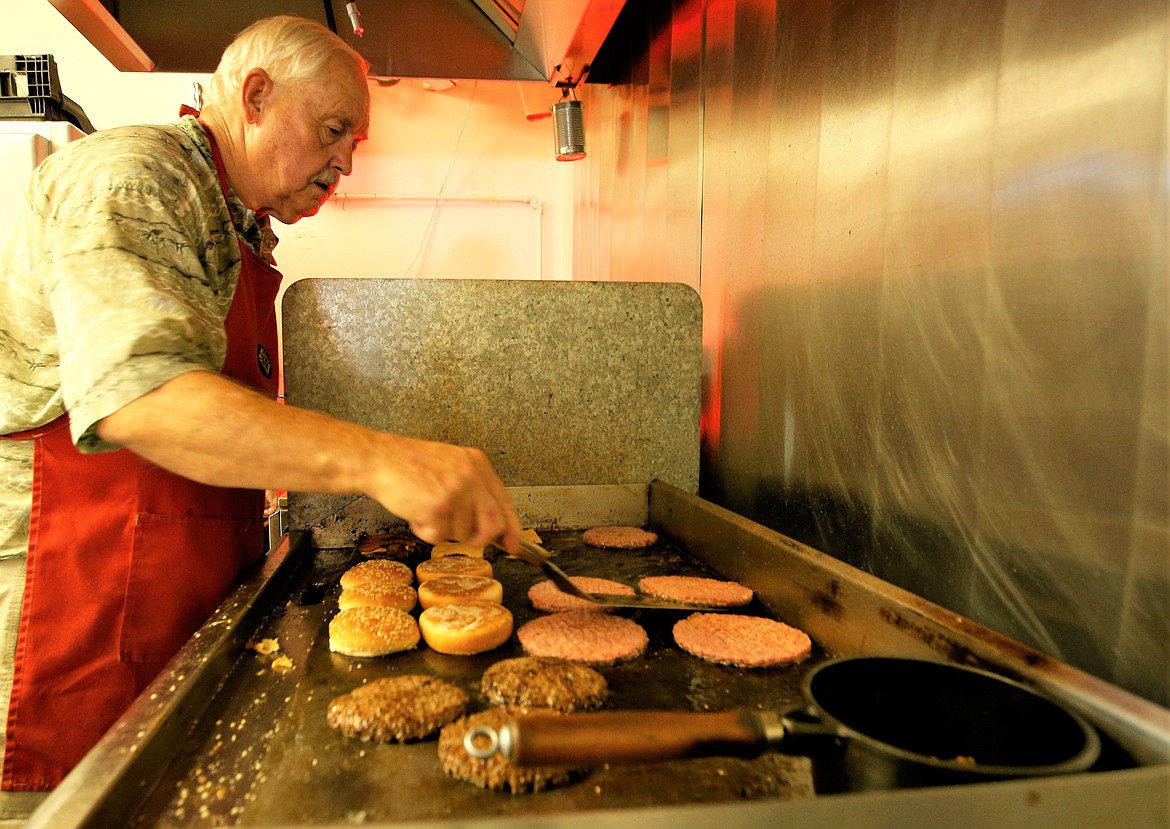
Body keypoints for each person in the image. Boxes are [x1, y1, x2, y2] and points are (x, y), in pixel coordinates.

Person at [0, 14, 521, 814]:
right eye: (334, 129)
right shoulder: (135, 179)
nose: (345, 160)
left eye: (354, 142)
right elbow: (144, 396)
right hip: (74, 613)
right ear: (254, 95)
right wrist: (385, 459)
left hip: (173, 614)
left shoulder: (238, 225)